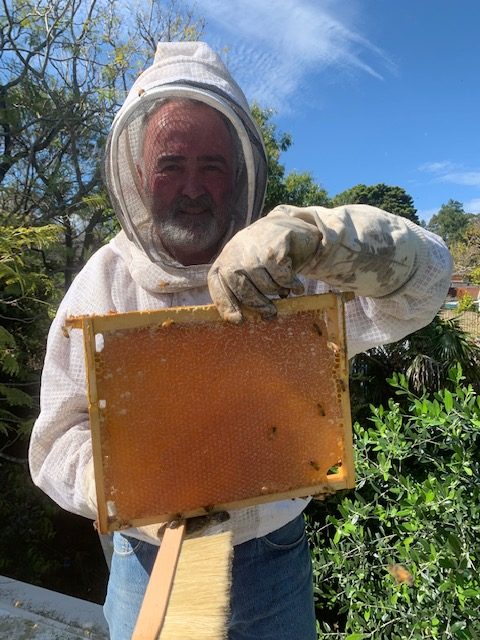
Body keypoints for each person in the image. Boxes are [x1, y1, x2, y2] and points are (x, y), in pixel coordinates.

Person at [29, 42, 452, 639]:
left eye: (212, 165)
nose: (192, 187)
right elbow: (54, 442)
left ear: (240, 172)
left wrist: (323, 239)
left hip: (270, 558)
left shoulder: (287, 263)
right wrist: (129, 482)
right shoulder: (104, 281)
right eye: (171, 164)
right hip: (145, 564)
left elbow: (427, 283)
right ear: (139, 174)